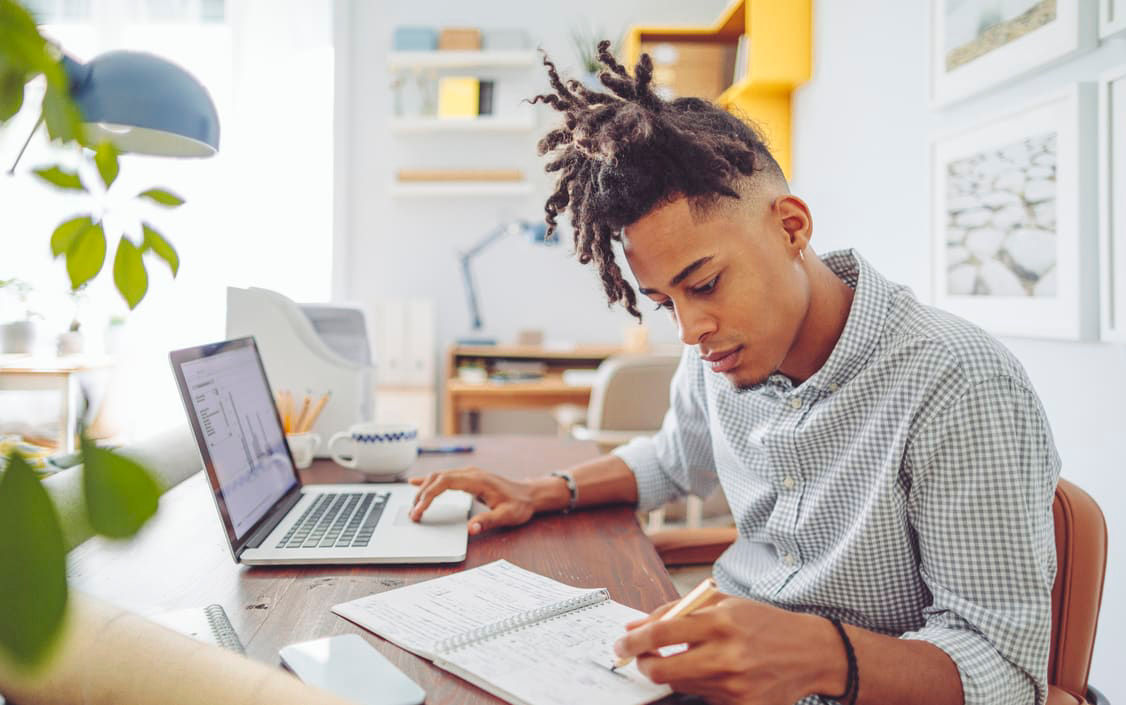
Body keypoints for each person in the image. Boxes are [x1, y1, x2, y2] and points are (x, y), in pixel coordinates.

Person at [409, 42, 1058, 705]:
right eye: (666, 304)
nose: (690, 332)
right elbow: (669, 459)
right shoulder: (717, 355)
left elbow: (1007, 670)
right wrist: (543, 490)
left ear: (791, 227)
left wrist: (821, 655)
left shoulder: (960, 385)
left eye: (707, 283)